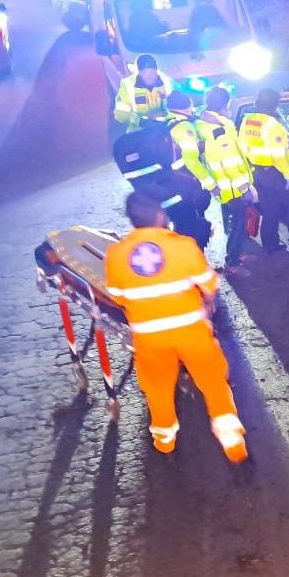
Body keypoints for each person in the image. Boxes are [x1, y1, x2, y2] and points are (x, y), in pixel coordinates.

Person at [104, 192, 248, 463]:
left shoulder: (116, 253)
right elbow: (209, 284)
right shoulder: (183, 245)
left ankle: (165, 445)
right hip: (192, 333)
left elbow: (117, 296)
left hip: (149, 338)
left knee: (158, 391)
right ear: (161, 216)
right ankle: (234, 447)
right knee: (214, 385)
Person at [238, 88, 289, 254]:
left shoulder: (247, 120)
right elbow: (278, 155)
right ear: (274, 104)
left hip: (258, 172)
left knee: (270, 210)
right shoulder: (273, 125)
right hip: (276, 173)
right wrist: (288, 176)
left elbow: (242, 146)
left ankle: (270, 245)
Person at [197, 85, 255, 272]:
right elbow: (228, 161)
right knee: (239, 220)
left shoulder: (203, 123)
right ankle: (233, 261)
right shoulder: (220, 128)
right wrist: (244, 187)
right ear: (225, 104)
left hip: (220, 183)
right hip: (231, 185)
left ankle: (236, 254)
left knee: (231, 219)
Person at [164, 91, 215, 249]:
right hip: (185, 183)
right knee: (194, 227)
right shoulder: (184, 126)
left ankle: (186, 262)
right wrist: (210, 183)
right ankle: (196, 263)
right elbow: (190, 159)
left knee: (182, 225)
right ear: (188, 107)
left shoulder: (165, 122)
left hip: (169, 182)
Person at [113, 53, 175, 131]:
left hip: (165, 129)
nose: (149, 75)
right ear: (138, 72)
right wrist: (141, 121)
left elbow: (180, 107)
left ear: (156, 70)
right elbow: (120, 113)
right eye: (145, 72)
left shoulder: (167, 82)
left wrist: (164, 115)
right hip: (139, 132)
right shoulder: (128, 85)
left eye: (152, 72)